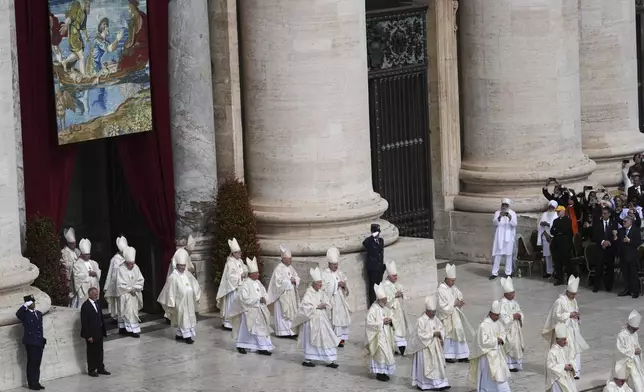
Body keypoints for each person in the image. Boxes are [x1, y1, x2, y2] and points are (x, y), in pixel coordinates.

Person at [542, 275, 588, 379]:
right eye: (572, 294)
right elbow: (556, 316)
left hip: (573, 329)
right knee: (567, 349)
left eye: (575, 294)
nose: (574, 296)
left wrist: (577, 316)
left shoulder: (574, 301)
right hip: (564, 330)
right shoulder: (560, 301)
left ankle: (575, 370)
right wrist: (569, 315)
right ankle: (564, 368)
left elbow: (575, 311)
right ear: (567, 291)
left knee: (575, 350)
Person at [293, 267, 340, 368]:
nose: (321, 284)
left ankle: (329, 360)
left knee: (326, 338)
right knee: (312, 341)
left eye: (321, 282)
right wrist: (317, 306)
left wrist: (326, 305)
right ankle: (308, 359)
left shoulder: (320, 292)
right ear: (314, 283)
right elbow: (304, 307)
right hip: (311, 321)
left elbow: (327, 301)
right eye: (319, 283)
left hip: (322, 320)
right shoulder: (308, 293)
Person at [230, 257, 274, 355]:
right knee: (246, 329)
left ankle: (261, 347)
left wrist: (264, 299)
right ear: (251, 274)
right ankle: (241, 345)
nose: (258, 274)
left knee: (261, 328)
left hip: (259, 309)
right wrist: (258, 300)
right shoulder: (245, 284)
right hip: (249, 310)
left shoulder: (258, 283)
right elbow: (244, 298)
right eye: (256, 273)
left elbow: (264, 293)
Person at [157, 248, 202, 344]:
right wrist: (171, 303)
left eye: (184, 265)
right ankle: (187, 337)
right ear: (176, 265)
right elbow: (170, 291)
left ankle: (179, 335)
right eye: (181, 265)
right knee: (184, 318)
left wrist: (196, 295)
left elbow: (193, 283)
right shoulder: (173, 277)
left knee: (187, 317)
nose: (182, 267)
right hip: (180, 301)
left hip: (189, 301)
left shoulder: (186, 274)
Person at [408, 294, 449, 391]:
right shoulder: (421, 320)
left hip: (435, 347)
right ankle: (425, 384)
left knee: (437, 365)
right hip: (424, 348)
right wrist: (433, 334)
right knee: (426, 366)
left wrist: (440, 334)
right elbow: (420, 334)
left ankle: (440, 383)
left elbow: (442, 328)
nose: (434, 314)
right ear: (427, 311)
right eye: (432, 312)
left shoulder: (435, 319)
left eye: (435, 312)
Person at [468, 300, 511, 392]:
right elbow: (482, 342)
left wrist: (501, 339)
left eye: (498, 315)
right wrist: (496, 341)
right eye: (495, 315)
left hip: (497, 353)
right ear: (490, 313)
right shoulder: (484, 325)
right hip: (487, 355)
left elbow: (503, 333)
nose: (497, 317)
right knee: (488, 375)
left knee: (500, 373)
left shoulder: (499, 323)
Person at [437, 263, 472, 363]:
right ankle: (447, 355)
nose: (453, 282)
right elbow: (442, 306)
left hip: (455, 315)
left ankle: (462, 355)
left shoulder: (453, 288)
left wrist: (460, 302)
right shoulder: (441, 290)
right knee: (449, 335)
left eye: (454, 280)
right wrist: (454, 304)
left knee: (459, 333)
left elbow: (459, 295)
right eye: (452, 280)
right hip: (447, 317)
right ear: (446, 279)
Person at [266, 245, 300, 338]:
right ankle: (283, 332)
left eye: (291, 259)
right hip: (282, 296)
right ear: (284, 259)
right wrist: (289, 281)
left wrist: (295, 280)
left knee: (291, 312)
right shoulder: (278, 269)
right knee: (283, 314)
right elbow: (278, 283)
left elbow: (296, 277)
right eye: (289, 259)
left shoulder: (290, 268)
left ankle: (291, 331)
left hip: (291, 295)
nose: (291, 261)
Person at [365, 283, 396, 382]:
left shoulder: (386, 308)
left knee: (387, 353)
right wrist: (382, 322)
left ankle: (384, 371)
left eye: (386, 299)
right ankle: (379, 373)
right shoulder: (373, 309)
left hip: (386, 334)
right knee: (381, 354)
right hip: (378, 336)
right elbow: (369, 323)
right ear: (378, 299)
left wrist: (391, 321)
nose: (385, 301)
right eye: (383, 300)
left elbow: (392, 317)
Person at [322, 247, 352, 346]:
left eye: (337, 264)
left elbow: (346, 282)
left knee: (342, 318)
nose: (336, 266)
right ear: (329, 264)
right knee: (335, 320)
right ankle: (334, 338)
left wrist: (344, 285)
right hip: (332, 301)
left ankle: (341, 339)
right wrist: (336, 284)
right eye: (334, 264)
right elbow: (324, 287)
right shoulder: (325, 274)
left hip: (341, 300)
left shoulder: (340, 272)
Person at [16, 295, 46, 390]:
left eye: (33, 302)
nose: (33, 304)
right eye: (30, 303)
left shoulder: (38, 313)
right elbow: (18, 314)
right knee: (32, 363)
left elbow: (39, 328)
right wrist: (25, 305)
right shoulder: (25, 314)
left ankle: (36, 381)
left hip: (39, 342)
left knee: (37, 362)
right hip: (31, 342)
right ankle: (32, 383)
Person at [216, 238, 246, 330]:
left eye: (240, 252)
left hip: (240, 287)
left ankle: (237, 322)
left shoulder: (240, 261)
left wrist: (246, 272)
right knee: (231, 304)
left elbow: (244, 268)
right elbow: (229, 277)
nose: (240, 254)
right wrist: (240, 277)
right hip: (232, 289)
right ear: (233, 253)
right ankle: (228, 323)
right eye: (238, 252)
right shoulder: (230, 263)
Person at [80, 287, 110, 377]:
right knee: (91, 352)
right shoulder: (85, 306)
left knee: (100, 351)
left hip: (99, 331)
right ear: (89, 294)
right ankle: (91, 369)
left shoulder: (97, 303)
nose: (96, 295)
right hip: (91, 334)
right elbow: (84, 322)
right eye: (94, 293)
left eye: (97, 293)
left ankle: (100, 368)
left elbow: (100, 317)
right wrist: (88, 336)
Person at [116, 246, 144, 338]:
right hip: (124, 294)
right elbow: (119, 284)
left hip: (134, 294)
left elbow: (141, 280)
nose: (132, 266)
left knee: (132, 312)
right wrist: (129, 289)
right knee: (125, 311)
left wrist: (135, 288)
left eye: (133, 263)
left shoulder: (136, 267)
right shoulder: (120, 269)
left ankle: (134, 330)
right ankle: (123, 328)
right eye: (130, 264)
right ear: (126, 262)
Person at [382, 260, 409, 355]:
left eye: (396, 275)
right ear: (389, 276)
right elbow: (384, 300)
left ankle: (401, 348)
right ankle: (397, 348)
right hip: (390, 311)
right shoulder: (384, 285)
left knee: (400, 328)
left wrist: (401, 294)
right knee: (394, 330)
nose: (396, 277)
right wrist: (394, 296)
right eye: (394, 276)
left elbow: (404, 291)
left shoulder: (396, 284)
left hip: (398, 311)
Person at [499, 277, 524, 372]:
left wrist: (520, 316)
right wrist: (512, 316)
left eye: (514, 292)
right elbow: (502, 317)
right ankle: (508, 365)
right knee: (509, 345)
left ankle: (514, 365)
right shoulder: (501, 304)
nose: (514, 295)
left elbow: (520, 311)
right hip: (508, 329)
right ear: (506, 294)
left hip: (515, 328)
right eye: (512, 293)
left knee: (516, 345)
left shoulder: (514, 302)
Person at [614, 310, 644, 391]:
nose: (635, 331)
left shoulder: (635, 334)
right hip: (624, 362)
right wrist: (633, 351)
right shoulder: (622, 335)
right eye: (634, 329)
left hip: (634, 361)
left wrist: (639, 350)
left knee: (637, 381)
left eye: (636, 329)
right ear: (629, 326)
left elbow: (637, 345)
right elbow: (619, 350)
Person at [592, 206, 619, 293]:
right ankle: (596, 286)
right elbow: (594, 236)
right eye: (602, 213)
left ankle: (609, 286)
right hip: (600, 248)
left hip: (610, 249)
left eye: (605, 213)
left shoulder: (613, 223)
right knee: (599, 267)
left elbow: (615, 236)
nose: (603, 215)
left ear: (609, 214)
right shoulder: (597, 223)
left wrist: (610, 242)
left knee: (610, 267)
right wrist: (603, 242)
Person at [60, 0, 91, 75]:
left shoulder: (85, 14)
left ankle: (64, 62)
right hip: (73, 36)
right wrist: (66, 25)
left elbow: (83, 27)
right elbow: (70, 18)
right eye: (88, 6)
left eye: (89, 6)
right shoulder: (76, 7)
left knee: (77, 55)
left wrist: (86, 37)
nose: (89, 8)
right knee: (81, 57)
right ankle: (84, 75)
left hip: (78, 36)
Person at [490, 198, 517, 280]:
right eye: (503, 205)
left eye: (506, 205)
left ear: (508, 206)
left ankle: (508, 273)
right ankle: (494, 273)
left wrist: (509, 217)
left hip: (509, 238)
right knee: (498, 255)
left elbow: (515, 224)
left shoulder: (512, 213)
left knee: (508, 255)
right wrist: (499, 217)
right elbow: (494, 223)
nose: (504, 206)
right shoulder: (497, 212)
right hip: (499, 237)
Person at [546, 323, 578, 392]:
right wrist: (563, 367)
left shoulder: (566, 349)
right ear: (557, 340)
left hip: (568, 378)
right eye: (563, 340)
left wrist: (571, 366)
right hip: (558, 380)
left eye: (565, 339)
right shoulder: (552, 352)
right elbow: (550, 366)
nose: (565, 341)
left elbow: (571, 359)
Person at [118, 0, 149, 71]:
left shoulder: (133, 20)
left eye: (129, 8)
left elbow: (131, 42)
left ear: (131, 7)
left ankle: (121, 71)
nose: (128, 11)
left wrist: (124, 47)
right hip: (146, 47)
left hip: (138, 50)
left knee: (124, 52)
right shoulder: (144, 15)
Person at [617, 216, 643, 299]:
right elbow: (618, 242)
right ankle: (627, 289)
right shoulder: (621, 231)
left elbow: (638, 242)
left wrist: (630, 241)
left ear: (630, 222)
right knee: (625, 274)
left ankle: (635, 291)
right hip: (623, 255)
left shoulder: (635, 230)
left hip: (632, 256)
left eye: (625, 221)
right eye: (623, 221)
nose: (623, 223)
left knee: (633, 274)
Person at [72, 238, 101, 308]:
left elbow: (98, 271)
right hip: (84, 290)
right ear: (82, 255)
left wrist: (96, 273)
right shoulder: (77, 264)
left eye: (89, 254)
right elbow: (76, 276)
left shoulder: (93, 263)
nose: (88, 256)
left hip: (94, 286)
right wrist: (88, 274)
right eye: (86, 254)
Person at [105, 236, 127, 323]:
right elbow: (110, 272)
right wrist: (107, 285)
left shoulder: (128, 257)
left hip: (125, 284)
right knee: (117, 303)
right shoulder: (114, 259)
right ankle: (117, 317)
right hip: (116, 284)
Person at [550, 206, 574, 286]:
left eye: (559, 211)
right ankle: (559, 278)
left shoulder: (568, 220)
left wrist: (557, 230)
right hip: (557, 242)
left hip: (565, 242)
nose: (557, 213)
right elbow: (552, 231)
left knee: (567, 261)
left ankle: (569, 278)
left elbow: (566, 230)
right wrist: (557, 230)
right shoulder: (555, 221)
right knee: (557, 262)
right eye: (557, 211)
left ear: (563, 211)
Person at [363, 223, 385, 304]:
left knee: (379, 286)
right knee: (373, 287)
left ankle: (380, 302)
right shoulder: (369, 241)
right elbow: (365, 243)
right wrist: (372, 236)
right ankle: (373, 303)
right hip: (373, 268)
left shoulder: (381, 241)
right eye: (376, 232)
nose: (377, 234)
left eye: (378, 232)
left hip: (379, 267)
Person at [538, 200, 559, 278]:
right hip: (545, 236)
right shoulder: (544, 214)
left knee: (555, 256)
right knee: (547, 255)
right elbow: (540, 226)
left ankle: (556, 272)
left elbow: (556, 226)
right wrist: (544, 231)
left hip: (554, 238)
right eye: (550, 206)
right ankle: (549, 271)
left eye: (553, 207)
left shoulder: (556, 215)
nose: (551, 208)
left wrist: (548, 224)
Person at [60, 227, 80, 306]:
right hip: (70, 279)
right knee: (71, 296)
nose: (74, 245)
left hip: (78, 278)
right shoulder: (63, 252)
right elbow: (63, 265)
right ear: (68, 244)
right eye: (72, 244)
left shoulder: (77, 251)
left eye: (75, 243)